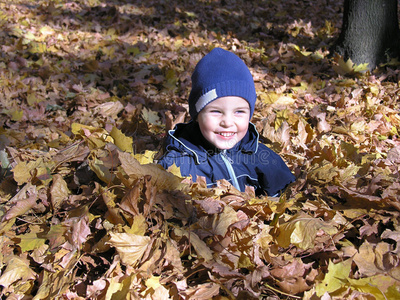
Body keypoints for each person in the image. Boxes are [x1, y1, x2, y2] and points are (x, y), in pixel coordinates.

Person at [157, 47, 295, 196]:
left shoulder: (262, 157)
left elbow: (289, 198)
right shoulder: (179, 164)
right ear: (197, 115)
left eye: (239, 112)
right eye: (216, 111)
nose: (228, 122)